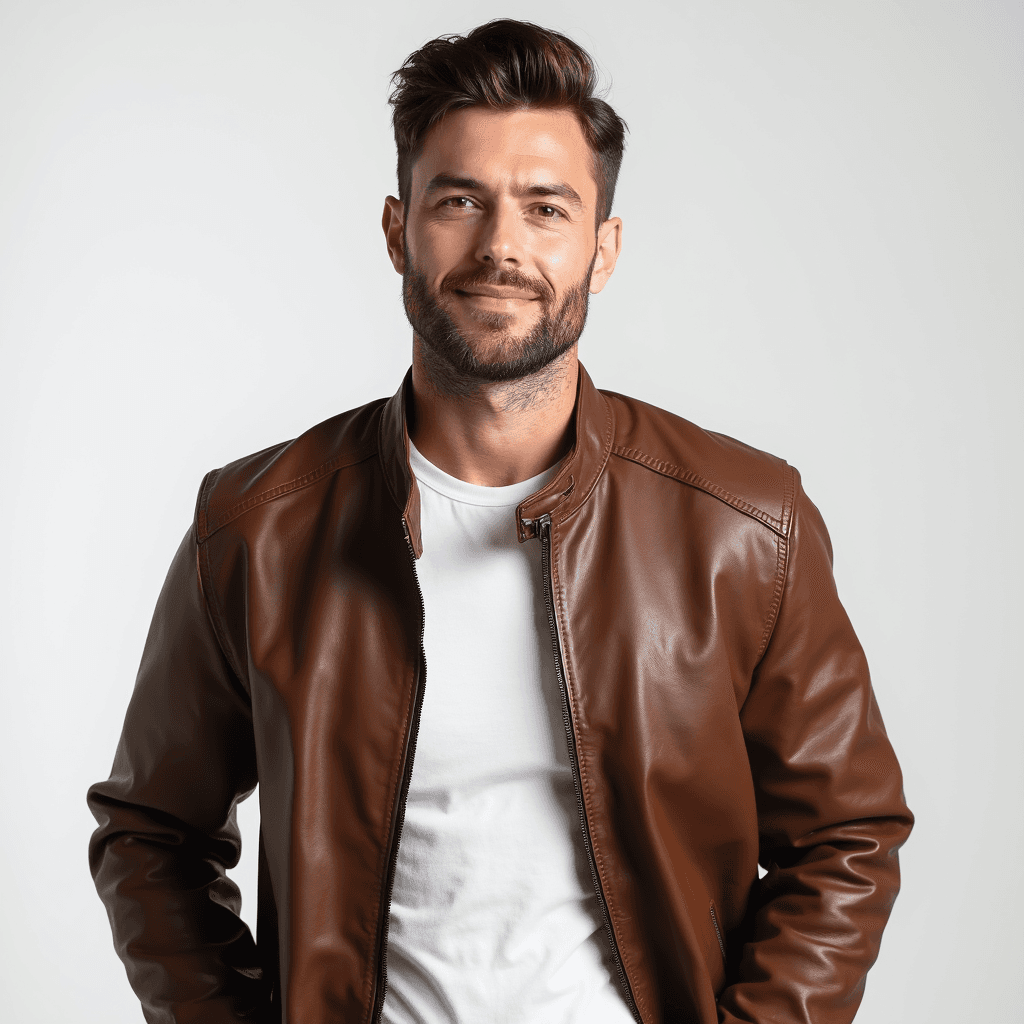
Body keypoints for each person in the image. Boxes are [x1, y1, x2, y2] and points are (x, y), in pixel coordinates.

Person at [87, 18, 913, 1024]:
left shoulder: (746, 525)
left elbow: (847, 833)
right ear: (398, 229)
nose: (500, 246)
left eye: (545, 207)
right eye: (458, 201)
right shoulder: (258, 528)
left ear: (602, 248)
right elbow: (149, 832)